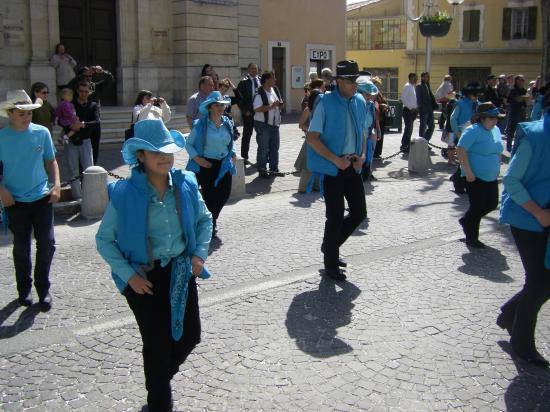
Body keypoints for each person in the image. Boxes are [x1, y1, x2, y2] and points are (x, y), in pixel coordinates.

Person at [96, 119, 212, 410]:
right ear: (140, 156)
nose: (164, 157)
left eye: (168, 151)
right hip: (143, 279)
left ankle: (159, 380)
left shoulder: (186, 183)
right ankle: (159, 402)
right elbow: (104, 240)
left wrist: (198, 254)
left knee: (190, 336)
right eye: (155, 151)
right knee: (157, 344)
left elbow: (203, 219)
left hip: (181, 271)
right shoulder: (123, 194)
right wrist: (129, 276)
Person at [497, 91, 550, 368]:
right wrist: (539, 212)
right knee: (539, 281)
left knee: (545, 281)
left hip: (543, 218)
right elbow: (512, 180)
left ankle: (509, 313)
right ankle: (522, 345)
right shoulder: (537, 135)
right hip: (526, 218)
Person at [306, 60, 367, 282]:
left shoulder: (359, 101)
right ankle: (330, 261)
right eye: (351, 81)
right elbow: (312, 138)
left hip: (352, 165)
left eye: (356, 81)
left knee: (359, 212)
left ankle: (329, 247)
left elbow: (362, 130)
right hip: (333, 168)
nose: (355, 85)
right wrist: (335, 160)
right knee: (334, 216)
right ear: (339, 82)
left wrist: (361, 156)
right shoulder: (325, 103)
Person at [0, 90, 61, 311]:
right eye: (21, 113)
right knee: (21, 247)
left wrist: (56, 184)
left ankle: (43, 288)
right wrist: (1, 190)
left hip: (41, 198)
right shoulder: (1, 137)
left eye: (29, 113)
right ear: (9, 113)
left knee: (47, 244)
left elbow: (51, 161)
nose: (26, 117)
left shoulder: (42, 132)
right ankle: (23, 289)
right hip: (15, 202)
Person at [186, 91, 236, 238]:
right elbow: (188, 145)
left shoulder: (227, 122)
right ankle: (210, 223)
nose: (220, 107)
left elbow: (230, 143)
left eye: (222, 105)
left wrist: (232, 153)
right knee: (209, 196)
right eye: (217, 105)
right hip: (206, 164)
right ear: (210, 108)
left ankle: (209, 220)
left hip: (224, 163)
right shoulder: (200, 125)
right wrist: (198, 160)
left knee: (224, 194)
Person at [456, 102, 505, 248]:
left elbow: (498, 150)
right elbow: (461, 150)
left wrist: (497, 165)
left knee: (491, 204)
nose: (495, 121)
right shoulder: (472, 130)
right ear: (482, 118)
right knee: (477, 207)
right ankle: (471, 237)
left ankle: (466, 220)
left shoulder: (495, 130)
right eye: (491, 118)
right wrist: (468, 172)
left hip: (491, 176)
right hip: (474, 176)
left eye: (496, 118)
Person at [68, 65, 114, 164]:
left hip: (94, 121)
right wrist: (84, 74)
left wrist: (102, 72)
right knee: (79, 148)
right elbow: (69, 85)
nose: (88, 79)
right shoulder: (76, 87)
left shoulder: (95, 86)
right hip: (79, 121)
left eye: (90, 76)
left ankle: (92, 169)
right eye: (86, 77)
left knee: (95, 147)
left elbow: (110, 80)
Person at [67, 82, 97, 199]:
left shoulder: (93, 105)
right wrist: (71, 126)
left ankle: (91, 194)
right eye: (81, 91)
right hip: (71, 140)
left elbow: (96, 121)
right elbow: (61, 119)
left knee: (89, 168)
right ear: (77, 91)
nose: (83, 94)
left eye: (86, 91)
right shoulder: (70, 104)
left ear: (89, 92)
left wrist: (83, 124)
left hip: (85, 140)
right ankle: (77, 196)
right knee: (73, 169)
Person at [253, 70, 284, 178]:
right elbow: (256, 108)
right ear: (267, 80)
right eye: (273, 78)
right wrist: (272, 106)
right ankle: (262, 170)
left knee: (274, 148)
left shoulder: (274, 89)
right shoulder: (259, 92)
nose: (275, 79)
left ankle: (274, 169)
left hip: (275, 125)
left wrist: (279, 105)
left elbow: (278, 103)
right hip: (263, 125)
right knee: (263, 148)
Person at [356, 75, 379, 181]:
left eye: (371, 94)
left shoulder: (370, 106)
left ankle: (366, 173)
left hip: (366, 138)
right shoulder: (353, 105)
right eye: (367, 94)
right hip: (355, 141)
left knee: (367, 158)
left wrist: (374, 132)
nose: (370, 96)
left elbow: (372, 122)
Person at [237, 63, 260, 164]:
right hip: (249, 113)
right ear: (248, 70)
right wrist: (244, 110)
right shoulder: (243, 82)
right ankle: (244, 157)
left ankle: (262, 156)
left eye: (256, 69)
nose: (254, 71)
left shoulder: (260, 80)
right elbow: (239, 99)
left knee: (262, 134)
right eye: (252, 69)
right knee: (247, 134)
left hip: (260, 112)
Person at [506, 75, 531, 152]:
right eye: (522, 80)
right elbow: (518, 99)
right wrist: (525, 97)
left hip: (522, 112)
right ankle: (509, 147)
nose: (523, 81)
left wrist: (525, 97)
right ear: (517, 81)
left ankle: (518, 146)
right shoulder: (513, 90)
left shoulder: (523, 90)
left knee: (521, 130)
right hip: (514, 112)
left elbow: (528, 102)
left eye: (523, 80)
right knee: (511, 130)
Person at [416, 72, 438, 142]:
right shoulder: (419, 86)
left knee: (432, 126)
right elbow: (418, 99)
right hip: (424, 110)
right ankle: (421, 142)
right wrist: (422, 108)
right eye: (425, 77)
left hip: (430, 109)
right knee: (423, 127)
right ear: (422, 77)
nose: (427, 78)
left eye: (428, 77)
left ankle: (425, 141)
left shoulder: (427, 85)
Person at [400, 72, 418, 153]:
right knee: (408, 129)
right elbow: (403, 98)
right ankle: (404, 145)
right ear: (411, 78)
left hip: (413, 111)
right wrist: (411, 108)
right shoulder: (407, 86)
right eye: (414, 77)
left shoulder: (413, 87)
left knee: (409, 129)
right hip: (408, 111)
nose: (416, 79)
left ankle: (406, 144)